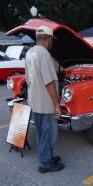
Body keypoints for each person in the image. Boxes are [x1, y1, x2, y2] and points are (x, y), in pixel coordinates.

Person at [25, 25, 64, 173]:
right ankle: (45, 164)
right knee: (49, 135)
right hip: (46, 103)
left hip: (34, 101)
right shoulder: (45, 54)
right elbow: (49, 82)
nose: (52, 43)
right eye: (51, 40)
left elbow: (28, 79)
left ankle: (47, 156)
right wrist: (56, 104)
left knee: (42, 133)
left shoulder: (30, 52)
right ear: (47, 39)